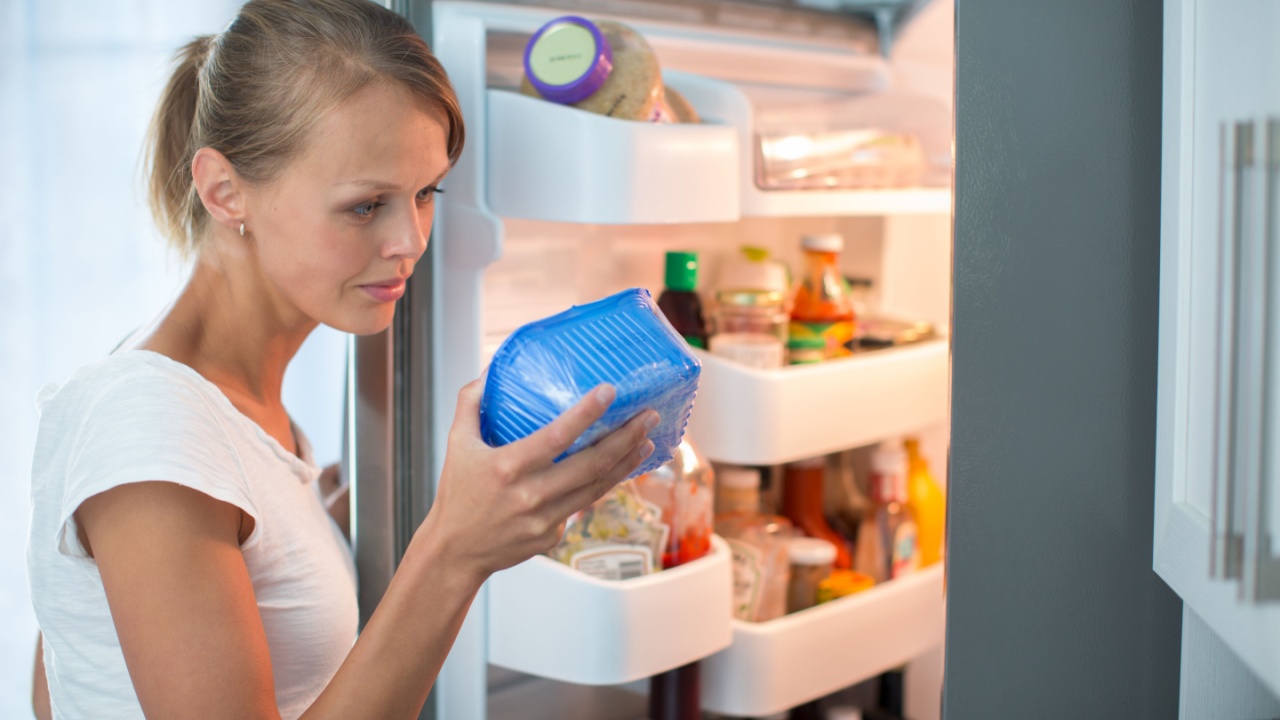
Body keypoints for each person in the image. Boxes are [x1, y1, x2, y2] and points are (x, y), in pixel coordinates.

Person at [25, 1, 657, 718]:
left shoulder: (227, 411)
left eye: (425, 194)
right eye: (366, 206)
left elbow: (64, 675)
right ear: (225, 191)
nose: (411, 240)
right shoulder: (149, 426)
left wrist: (325, 522)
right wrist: (455, 550)